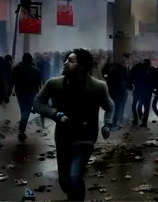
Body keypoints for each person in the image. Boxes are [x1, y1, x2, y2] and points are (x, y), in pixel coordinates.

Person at [34, 48, 114, 201]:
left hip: (86, 136)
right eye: (65, 60)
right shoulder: (54, 84)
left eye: (70, 61)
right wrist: (55, 114)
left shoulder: (98, 87)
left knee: (75, 175)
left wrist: (107, 124)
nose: (65, 63)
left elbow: (109, 106)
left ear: (82, 66)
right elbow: (38, 102)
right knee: (65, 180)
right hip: (63, 137)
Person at [12, 53, 42, 142]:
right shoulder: (35, 70)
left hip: (20, 92)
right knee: (26, 111)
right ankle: (21, 130)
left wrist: (10, 91)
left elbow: (12, 80)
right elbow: (38, 82)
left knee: (24, 109)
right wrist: (39, 91)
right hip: (31, 92)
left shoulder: (16, 68)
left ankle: (22, 130)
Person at [102, 54, 131, 127]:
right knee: (117, 107)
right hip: (119, 91)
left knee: (113, 107)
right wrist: (129, 87)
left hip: (113, 90)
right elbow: (125, 80)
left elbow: (109, 79)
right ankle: (114, 123)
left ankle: (109, 122)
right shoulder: (122, 69)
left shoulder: (113, 68)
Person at [129, 58, 155, 127]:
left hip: (137, 90)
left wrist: (131, 86)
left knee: (135, 106)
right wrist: (153, 88)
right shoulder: (151, 70)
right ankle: (144, 122)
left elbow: (131, 77)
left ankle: (136, 119)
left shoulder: (136, 68)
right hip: (147, 91)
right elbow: (154, 80)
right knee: (146, 107)